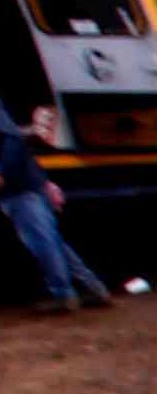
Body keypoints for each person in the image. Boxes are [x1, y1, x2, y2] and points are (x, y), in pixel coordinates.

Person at [3, 104, 114, 310]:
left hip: (19, 188)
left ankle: (64, 295)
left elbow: (12, 142)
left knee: (43, 242)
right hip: (22, 186)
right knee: (51, 241)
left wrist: (3, 174)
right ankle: (93, 288)